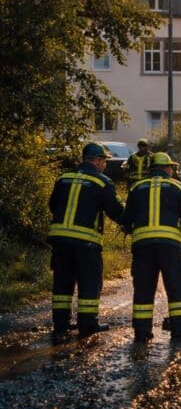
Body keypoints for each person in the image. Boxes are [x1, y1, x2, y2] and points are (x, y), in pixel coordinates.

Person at [120, 152, 181, 342]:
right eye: (171, 167)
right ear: (166, 168)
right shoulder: (177, 187)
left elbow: (126, 220)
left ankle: (141, 333)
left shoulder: (137, 187)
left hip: (142, 247)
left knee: (143, 289)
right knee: (177, 288)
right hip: (170, 247)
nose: (172, 170)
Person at [46, 143, 125, 337]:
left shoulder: (63, 179)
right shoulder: (102, 182)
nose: (105, 164)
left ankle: (60, 325)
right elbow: (115, 211)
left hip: (60, 241)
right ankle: (87, 325)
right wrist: (130, 222)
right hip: (86, 244)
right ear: (97, 160)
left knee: (62, 284)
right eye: (104, 161)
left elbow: (53, 205)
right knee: (89, 283)